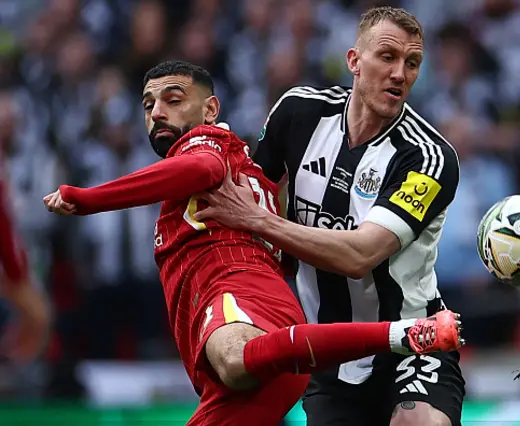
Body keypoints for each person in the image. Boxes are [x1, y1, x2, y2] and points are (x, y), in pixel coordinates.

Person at [43, 60, 463, 426]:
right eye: (149, 105)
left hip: (237, 293)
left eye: (173, 99)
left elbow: (201, 169)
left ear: (210, 109)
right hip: (287, 345)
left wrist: (88, 199)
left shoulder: (206, 143)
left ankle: (401, 333)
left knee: (234, 359)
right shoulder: (251, 166)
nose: (158, 112)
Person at [193, 7, 465, 426]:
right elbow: (246, 198)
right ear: (354, 61)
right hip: (329, 354)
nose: (400, 73)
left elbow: (359, 257)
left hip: (413, 343)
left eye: (412, 64)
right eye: (387, 57)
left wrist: (260, 222)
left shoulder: (427, 157)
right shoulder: (298, 113)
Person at [0, 151, 50, 362]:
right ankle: (13, 364)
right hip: (8, 269)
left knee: (38, 317)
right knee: (38, 315)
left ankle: (14, 364)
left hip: (13, 264)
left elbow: (9, 231)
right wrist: (15, 270)